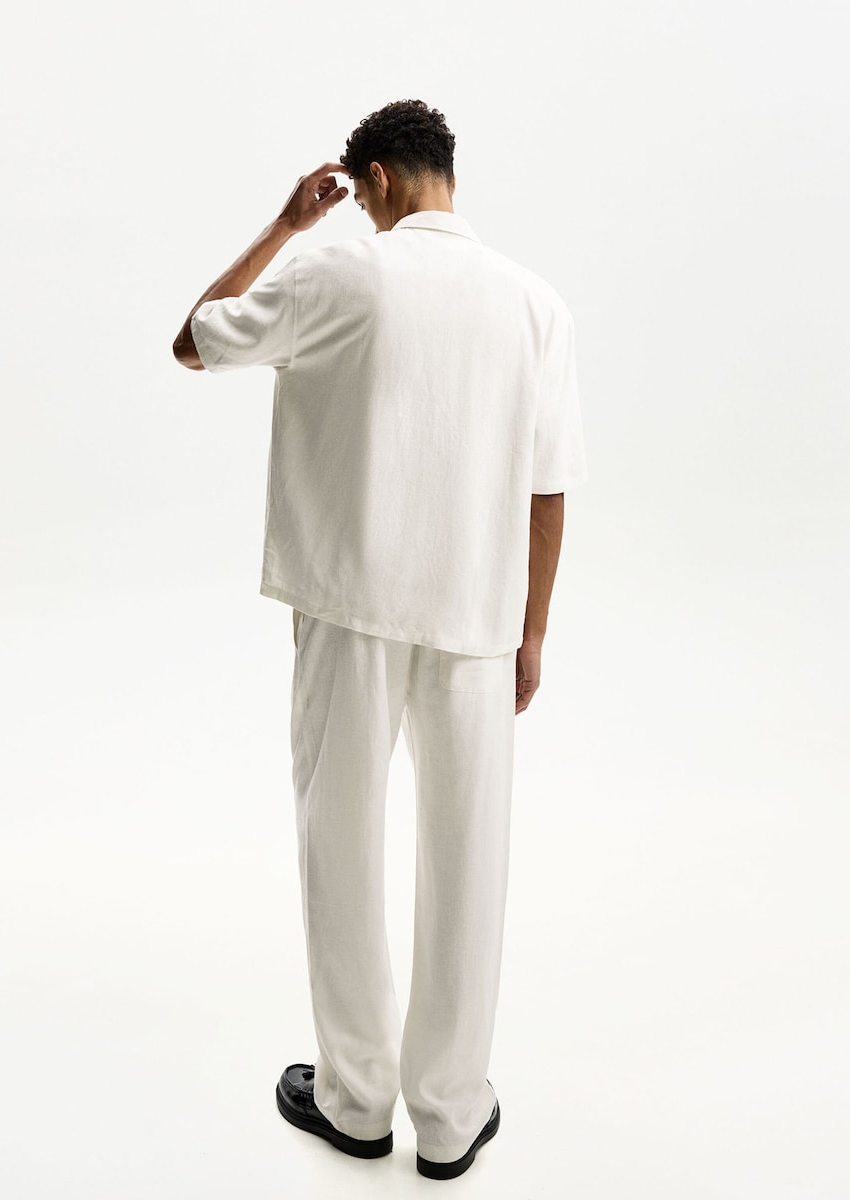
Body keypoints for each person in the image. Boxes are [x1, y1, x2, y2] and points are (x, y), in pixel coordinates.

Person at [173, 98, 587, 1180]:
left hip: (348, 607)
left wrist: (285, 225)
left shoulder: (336, 271)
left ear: (378, 182)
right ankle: (449, 1115)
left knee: (340, 845)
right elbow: (548, 489)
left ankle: (355, 1101)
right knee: (470, 859)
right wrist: (533, 633)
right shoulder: (535, 304)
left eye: (358, 198)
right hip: (477, 617)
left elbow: (194, 339)